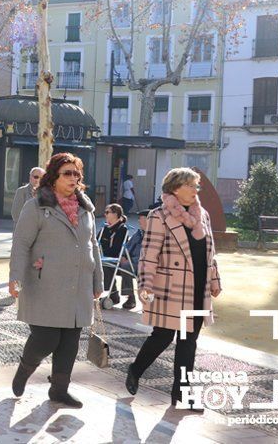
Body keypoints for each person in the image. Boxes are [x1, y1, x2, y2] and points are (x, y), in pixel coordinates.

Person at [8, 152, 103, 409]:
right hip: (45, 284)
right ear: (54, 176)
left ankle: (59, 390)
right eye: (68, 173)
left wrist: (98, 281)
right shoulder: (37, 205)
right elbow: (21, 243)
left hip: (78, 285)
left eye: (77, 174)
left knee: (70, 342)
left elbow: (92, 244)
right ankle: (25, 369)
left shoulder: (86, 208)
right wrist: (15, 277)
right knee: (47, 339)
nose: (74, 178)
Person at [126, 168, 222, 411]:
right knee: (162, 336)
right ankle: (136, 369)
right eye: (190, 185)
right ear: (175, 188)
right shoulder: (159, 215)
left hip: (198, 289)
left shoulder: (204, 216)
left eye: (196, 186)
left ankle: (181, 392)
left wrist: (215, 280)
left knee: (189, 341)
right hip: (171, 288)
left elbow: (211, 252)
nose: (195, 190)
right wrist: (145, 285)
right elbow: (148, 256)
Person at [98, 203, 129, 307]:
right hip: (104, 257)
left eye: (108, 212)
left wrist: (102, 253)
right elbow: (96, 242)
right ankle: (110, 293)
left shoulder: (122, 229)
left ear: (115, 214)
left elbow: (116, 249)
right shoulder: (105, 228)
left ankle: (112, 294)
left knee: (105, 265)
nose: (105, 215)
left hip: (115, 258)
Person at [119, 209, 149, 310]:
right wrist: (123, 256)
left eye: (140, 218)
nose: (138, 221)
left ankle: (131, 298)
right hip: (130, 261)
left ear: (148, 220)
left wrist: (131, 261)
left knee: (126, 266)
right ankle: (113, 294)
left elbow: (148, 256)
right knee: (109, 265)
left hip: (143, 264)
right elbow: (127, 246)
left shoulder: (153, 235)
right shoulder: (138, 233)